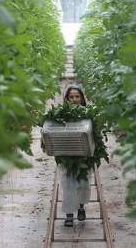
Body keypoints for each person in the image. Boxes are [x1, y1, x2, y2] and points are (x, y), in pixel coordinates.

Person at [59, 85, 91, 227]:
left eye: (77, 96)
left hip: (84, 155)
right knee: (68, 184)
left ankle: (81, 207)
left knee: (84, 184)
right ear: (67, 99)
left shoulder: (88, 114)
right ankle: (69, 215)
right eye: (71, 97)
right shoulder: (61, 114)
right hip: (67, 153)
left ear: (82, 98)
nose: (74, 99)